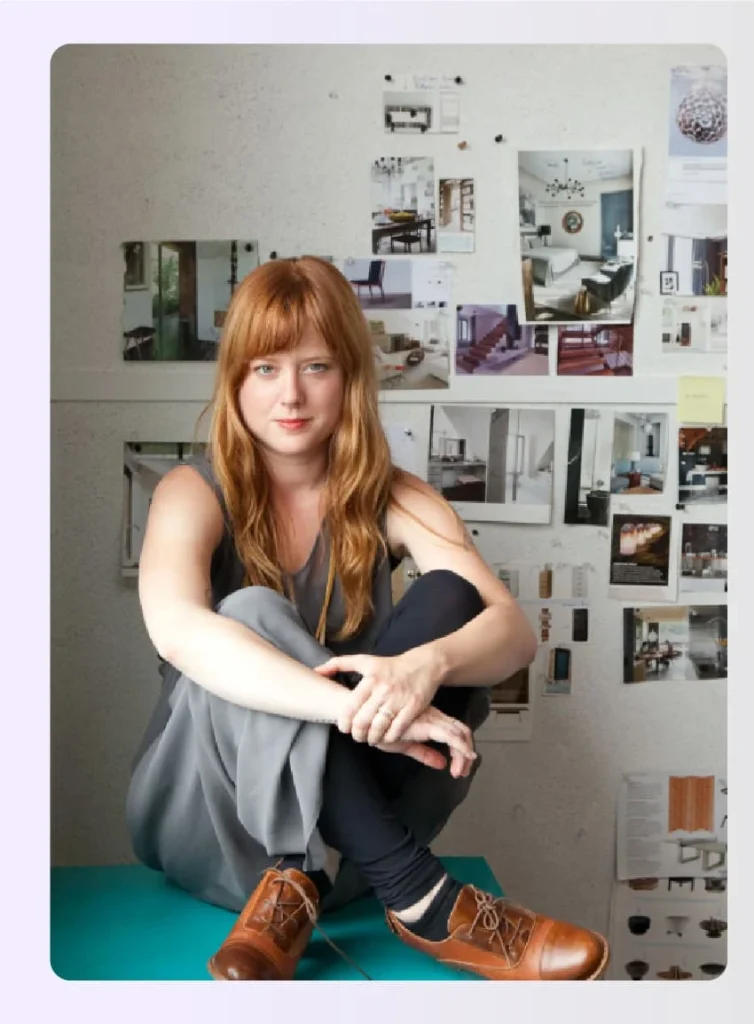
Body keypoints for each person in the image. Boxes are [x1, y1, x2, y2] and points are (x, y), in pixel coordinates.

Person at [125, 257, 609, 982]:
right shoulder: (191, 492)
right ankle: (423, 899)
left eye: (315, 366)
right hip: (215, 828)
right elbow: (178, 631)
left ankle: (302, 883)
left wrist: (428, 667)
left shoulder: (395, 495)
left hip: (342, 858)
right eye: (265, 368)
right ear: (234, 381)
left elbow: (514, 633)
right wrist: (359, 706)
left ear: (350, 375)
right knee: (247, 611)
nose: (290, 393)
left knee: (454, 600)